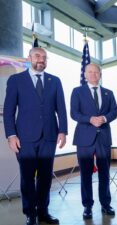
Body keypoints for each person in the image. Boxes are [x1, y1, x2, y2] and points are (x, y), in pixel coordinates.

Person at [3, 47, 67, 225]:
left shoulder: (55, 81)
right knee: (27, 176)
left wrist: (63, 130)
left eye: (45, 57)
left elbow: (60, 108)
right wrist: (11, 135)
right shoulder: (16, 80)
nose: (41, 59)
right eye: (38, 56)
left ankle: (43, 211)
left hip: (49, 136)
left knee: (45, 176)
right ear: (29, 58)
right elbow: (9, 111)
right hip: (24, 138)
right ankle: (30, 213)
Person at [70, 64, 117, 219]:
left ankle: (105, 204)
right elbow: (74, 113)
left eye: (96, 72)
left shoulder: (108, 93)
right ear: (85, 74)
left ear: (100, 74)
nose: (93, 74)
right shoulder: (77, 91)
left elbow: (114, 111)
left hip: (103, 137)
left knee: (105, 173)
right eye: (90, 72)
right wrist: (90, 119)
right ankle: (87, 206)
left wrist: (104, 118)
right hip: (84, 138)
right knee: (85, 174)